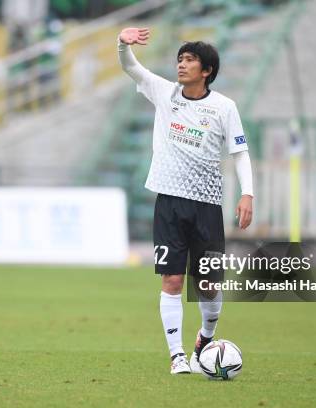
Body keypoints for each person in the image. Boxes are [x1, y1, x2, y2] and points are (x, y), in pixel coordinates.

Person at [117, 27, 254, 374]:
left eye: (190, 60)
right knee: (173, 280)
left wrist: (247, 193)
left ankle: (205, 340)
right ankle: (177, 355)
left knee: (207, 286)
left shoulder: (224, 107)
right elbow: (132, 68)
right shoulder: (166, 94)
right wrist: (122, 42)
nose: (182, 65)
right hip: (170, 203)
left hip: (208, 205)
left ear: (206, 70)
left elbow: (239, 152)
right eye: (180, 59)